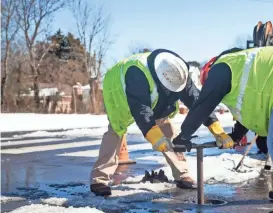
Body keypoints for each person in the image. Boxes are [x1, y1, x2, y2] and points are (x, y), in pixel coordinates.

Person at [172, 46, 273, 213]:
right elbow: (248, 112)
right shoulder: (241, 69)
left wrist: (184, 136)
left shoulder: (221, 69)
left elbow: (203, 105)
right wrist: (235, 136)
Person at [90, 49, 229, 196]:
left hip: (156, 100)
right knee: (116, 131)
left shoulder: (178, 73)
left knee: (167, 128)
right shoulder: (137, 74)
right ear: (163, 81)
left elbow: (198, 102)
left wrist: (216, 127)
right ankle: (99, 179)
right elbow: (141, 110)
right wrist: (154, 137)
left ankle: (182, 175)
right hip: (118, 92)